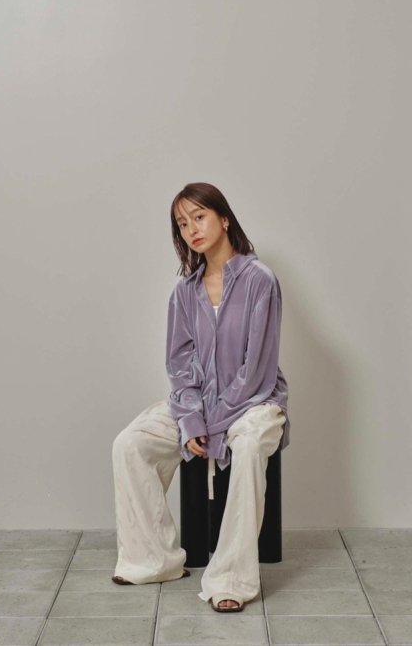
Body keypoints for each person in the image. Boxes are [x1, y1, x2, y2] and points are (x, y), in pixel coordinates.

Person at [111, 182, 290, 612]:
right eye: (182, 223)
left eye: (199, 216)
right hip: (200, 404)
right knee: (130, 443)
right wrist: (192, 418)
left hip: (257, 402)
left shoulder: (260, 281)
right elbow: (180, 367)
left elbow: (257, 370)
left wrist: (213, 424)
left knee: (247, 447)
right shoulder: (184, 293)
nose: (191, 228)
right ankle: (151, 560)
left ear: (223, 218)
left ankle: (230, 579)